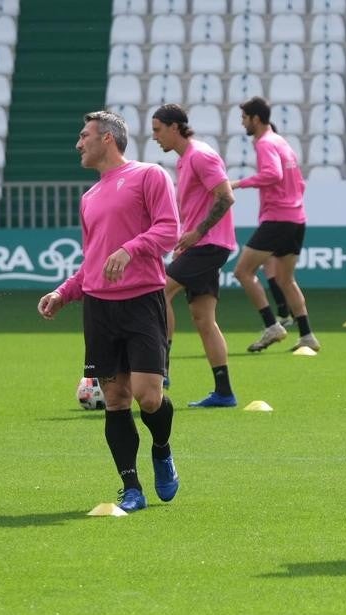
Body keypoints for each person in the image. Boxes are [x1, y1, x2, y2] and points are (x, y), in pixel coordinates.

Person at [38, 111, 180, 512]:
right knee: (116, 400)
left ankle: (162, 449)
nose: (78, 144)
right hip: (100, 308)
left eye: (84, 135)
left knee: (148, 397)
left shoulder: (149, 175)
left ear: (108, 139)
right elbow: (93, 260)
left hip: (142, 301)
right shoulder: (89, 197)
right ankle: (131, 488)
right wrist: (64, 292)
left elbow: (169, 230)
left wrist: (129, 249)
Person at [150, 103, 238, 408]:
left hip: (209, 245)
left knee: (159, 291)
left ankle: (161, 369)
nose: (155, 137)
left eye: (158, 130)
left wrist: (197, 233)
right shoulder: (184, 160)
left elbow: (226, 197)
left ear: (175, 127)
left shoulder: (200, 155)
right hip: (201, 245)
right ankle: (224, 393)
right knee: (204, 319)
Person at [230, 96, 320, 353]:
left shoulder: (265, 143)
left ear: (256, 119)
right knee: (285, 279)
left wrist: (238, 183)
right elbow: (299, 183)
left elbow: (273, 174)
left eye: (244, 118)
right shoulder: (281, 142)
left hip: (278, 219)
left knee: (242, 272)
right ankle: (307, 335)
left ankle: (272, 325)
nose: (243, 123)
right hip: (296, 219)